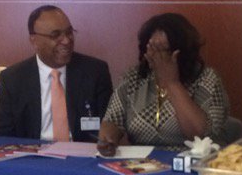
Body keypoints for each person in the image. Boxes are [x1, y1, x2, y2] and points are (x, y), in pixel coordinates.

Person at [98, 12, 229, 153]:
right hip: (142, 163)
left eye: (163, 50)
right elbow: (112, 120)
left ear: (182, 52)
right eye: (152, 49)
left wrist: (172, 83)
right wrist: (108, 137)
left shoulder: (207, 79)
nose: (156, 56)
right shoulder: (133, 78)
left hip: (193, 161)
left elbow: (202, 136)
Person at [0, 5, 113, 141]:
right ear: (34, 41)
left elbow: (109, 123)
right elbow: (2, 135)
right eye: (55, 35)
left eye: (69, 32)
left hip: (82, 155)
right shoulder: (13, 79)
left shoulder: (95, 71)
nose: (66, 40)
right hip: (33, 156)